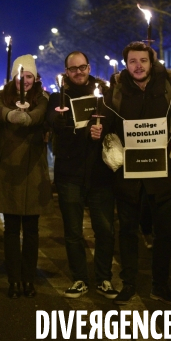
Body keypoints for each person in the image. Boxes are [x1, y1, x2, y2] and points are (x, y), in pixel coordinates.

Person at [99, 41, 171, 305]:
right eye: (133, 61)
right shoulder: (115, 92)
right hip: (128, 176)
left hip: (162, 175)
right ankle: (129, 283)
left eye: (143, 61)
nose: (138, 66)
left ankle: (160, 285)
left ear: (152, 62)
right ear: (126, 64)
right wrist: (98, 131)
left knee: (164, 233)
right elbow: (107, 127)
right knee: (127, 231)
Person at [46, 51, 118, 300]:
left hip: (100, 174)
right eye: (73, 68)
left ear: (88, 68)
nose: (79, 72)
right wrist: (80, 130)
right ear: (66, 72)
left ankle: (104, 278)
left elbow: (113, 121)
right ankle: (79, 278)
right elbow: (55, 122)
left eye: (83, 67)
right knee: (73, 231)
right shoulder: (58, 97)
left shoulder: (103, 95)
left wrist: (102, 128)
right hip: (70, 174)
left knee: (105, 229)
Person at [0, 55, 52, 299]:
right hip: (8, 169)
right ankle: (14, 279)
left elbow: (39, 114)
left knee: (32, 230)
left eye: (28, 76)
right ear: (13, 77)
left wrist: (28, 117)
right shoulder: (1, 98)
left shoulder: (43, 97)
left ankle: (29, 278)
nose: (24, 81)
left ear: (35, 78)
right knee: (12, 229)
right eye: (20, 76)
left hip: (33, 169)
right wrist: (10, 115)